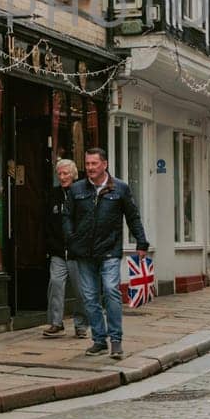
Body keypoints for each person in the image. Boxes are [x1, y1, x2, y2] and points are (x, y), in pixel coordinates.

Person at [66, 147, 150, 360]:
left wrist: (141, 242)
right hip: (84, 252)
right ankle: (99, 340)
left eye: (94, 164)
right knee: (90, 297)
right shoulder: (76, 190)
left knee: (112, 290)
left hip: (110, 250)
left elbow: (133, 217)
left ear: (105, 164)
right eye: (87, 164)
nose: (90, 168)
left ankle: (116, 340)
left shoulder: (120, 188)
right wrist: (71, 238)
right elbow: (67, 217)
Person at [40, 159, 87, 339]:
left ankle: (81, 325)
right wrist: (51, 245)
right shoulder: (53, 195)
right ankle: (55, 323)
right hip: (58, 251)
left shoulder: (82, 194)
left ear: (73, 174)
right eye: (59, 174)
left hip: (77, 252)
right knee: (56, 285)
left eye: (65, 173)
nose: (62, 177)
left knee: (81, 290)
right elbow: (47, 222)